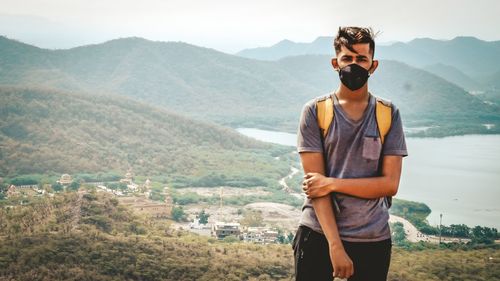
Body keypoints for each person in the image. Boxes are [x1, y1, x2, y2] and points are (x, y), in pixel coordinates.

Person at [292, 26, 408, 281]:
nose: (354, 65)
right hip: (318, 234)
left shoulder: (388, 114)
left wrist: (331, 183)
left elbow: (390, 184)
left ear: (373, 65)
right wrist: (335, 246)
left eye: (361, 59)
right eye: (347, 58)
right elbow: (315, 188)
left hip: (372, 238)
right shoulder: (315, 111)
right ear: (335, 62)